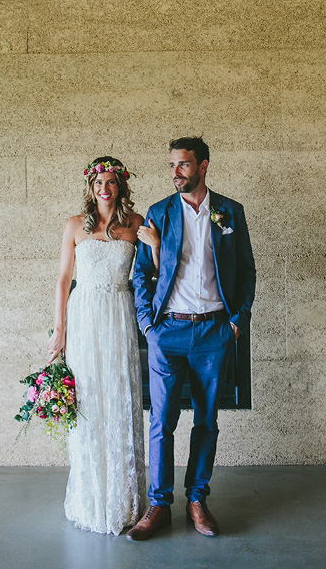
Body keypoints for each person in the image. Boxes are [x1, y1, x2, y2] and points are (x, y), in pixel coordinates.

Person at [127, 136, 256, 540]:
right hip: (170, 332)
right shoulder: (159, 213)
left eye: (183, 165)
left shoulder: (230, 211)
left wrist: (237, 321)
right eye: (172, 165)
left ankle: (197, 500)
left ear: (203, 166)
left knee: (207, 422)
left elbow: (247, 270)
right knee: (162, 422)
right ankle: (159, 505)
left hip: (215, 331)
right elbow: (141, 276)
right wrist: (150, 326)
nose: (175, 173)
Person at [47, 156, 151, 536]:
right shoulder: (75, 225)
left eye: (110, 182)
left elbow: (154, 271)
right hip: (86, 317)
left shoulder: (136, 224)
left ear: (120, 185)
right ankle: (92, 498)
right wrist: (60, 330)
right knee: (89, 402)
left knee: (119, 399)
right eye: (98, 183)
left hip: (120, 316)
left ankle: (123, 500)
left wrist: (154, 245)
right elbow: (62, 280)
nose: (104, 188)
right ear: (91, 188)